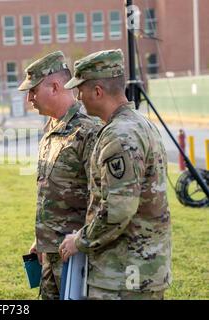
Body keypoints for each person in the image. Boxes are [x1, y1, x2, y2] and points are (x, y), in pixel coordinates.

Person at [59, 49, 172, 300]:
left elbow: (118, 209)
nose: (78, 97)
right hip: (138, 271)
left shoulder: (120, 136)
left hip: (123, 277)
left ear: (98, 91)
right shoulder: (137, 124)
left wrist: (79, 241)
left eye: (81, 89)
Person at [18, 51, 102, 300]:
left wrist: (82, 242)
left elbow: (99, 196)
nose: (29, 98)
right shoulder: (52, 128)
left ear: (55, 86)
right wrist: (41, 238)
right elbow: (51, 191)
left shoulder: (88, 130)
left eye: (33, 90)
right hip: (51, 251)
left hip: (76, 254)